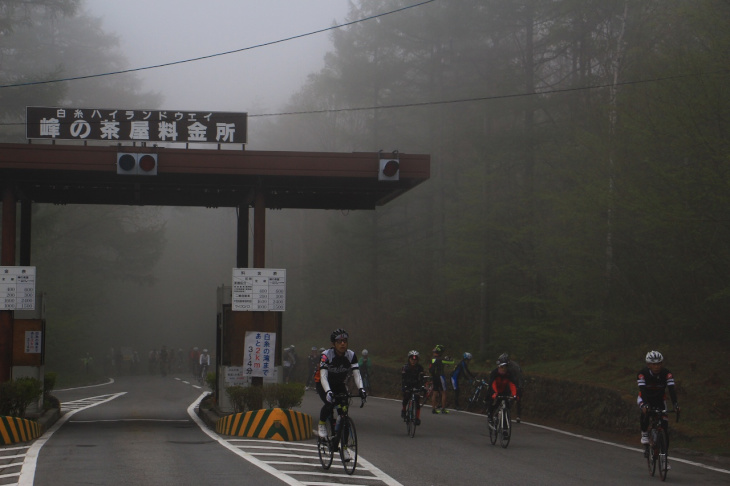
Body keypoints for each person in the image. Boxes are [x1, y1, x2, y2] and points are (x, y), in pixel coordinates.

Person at [315, 328, 367, 454]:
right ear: (334, 344)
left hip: (339, 383)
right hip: (323, 383)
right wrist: (328, 392)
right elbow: (323, 376)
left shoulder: (351, 355)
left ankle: (343, 448)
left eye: (345, 341)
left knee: (344, 415)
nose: (343, 343)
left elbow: (356, 374)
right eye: (339, 341)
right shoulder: (326, 355)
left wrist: (361, 389)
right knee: (330, 403)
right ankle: (322, 424)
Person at [637, 350, 679, 450]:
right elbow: (642, 390)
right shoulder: (642, 374)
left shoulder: (667, 373)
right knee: (646, 411)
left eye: (659, 363)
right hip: (645, 397)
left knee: (664, 428)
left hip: (660, 399)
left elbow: (671, 390)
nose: (657, 366)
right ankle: (644, 433)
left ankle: (665, 457)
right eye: (654, 364)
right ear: (648, 365)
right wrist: (645, 404)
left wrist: (675, 404)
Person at [485, 355, 518, 425]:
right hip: (494, 390)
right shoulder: (494, 373)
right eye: (502, 367)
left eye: (505, 367)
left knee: (507, 405)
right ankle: (490, 416)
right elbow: (492, 384)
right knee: (492, 403)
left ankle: (505, 424)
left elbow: (512, 384)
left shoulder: (509, 373)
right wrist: (494, 393)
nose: (503, 369)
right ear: (498, 367)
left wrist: (514, 394)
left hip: (504, 391)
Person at [498, 352, 524, 422]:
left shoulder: (514, 366)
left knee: (517, 399)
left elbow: (519, 376)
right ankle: (506, 413)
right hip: (508, 383)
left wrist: (519, 386)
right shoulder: (503, 366)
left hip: (516, 383)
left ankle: (518, 416)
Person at [401, 350, 426, 425]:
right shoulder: (405, 367)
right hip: (407, 385)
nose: (413, 361)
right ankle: (404, 410)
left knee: (417, 401)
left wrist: (422, 386)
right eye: (412, 359)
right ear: (409, 359)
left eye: (415, 360)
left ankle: (417, 418)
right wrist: (404, 387)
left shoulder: (420, 368)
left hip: (416, 385)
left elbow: (422, 378)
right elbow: (403, 378)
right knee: (406, 397)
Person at [428, 344, 453, 414]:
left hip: (434, 376)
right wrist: (448, 358)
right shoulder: (441, 360)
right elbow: (451, 362)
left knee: (434, 392)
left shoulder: (433, 359)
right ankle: (443, 409)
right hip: (441, 376)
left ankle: (433, 409)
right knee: (444, 392)